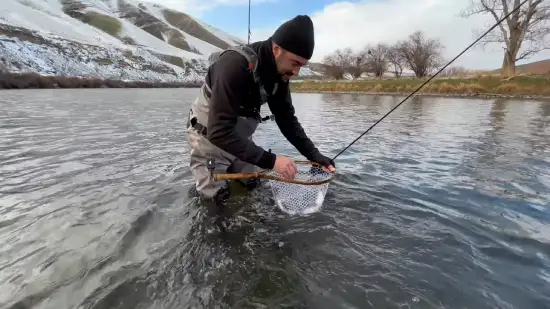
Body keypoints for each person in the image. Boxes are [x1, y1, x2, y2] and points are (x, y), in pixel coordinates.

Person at [186, 14, 335, 200]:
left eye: (302, 66)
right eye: (295, 63)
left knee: (253, 187)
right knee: (216, 203)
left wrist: (314, 155)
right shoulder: (233, 66)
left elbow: (286, 118)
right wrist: (272, 161)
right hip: (209, 139)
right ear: (276, 49)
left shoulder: (281, 73)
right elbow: (219, 132)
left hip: (239, 139)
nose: (296, 72)